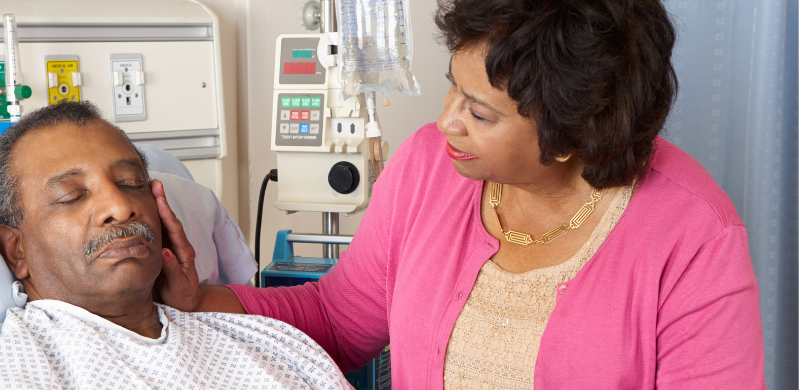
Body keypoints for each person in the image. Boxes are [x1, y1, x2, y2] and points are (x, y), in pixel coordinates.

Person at [156, 0, 766, 388]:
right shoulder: (429, 167)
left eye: (479, 112)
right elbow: (337, 322)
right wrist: (204, 300)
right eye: (453, 90)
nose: (445, 122)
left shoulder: (693, 233)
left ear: (570, 135)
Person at [0, 102, 351, 390]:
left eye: (131, 183)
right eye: (71, 196)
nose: (119, 206)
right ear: (16, 250)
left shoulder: (270, 346)